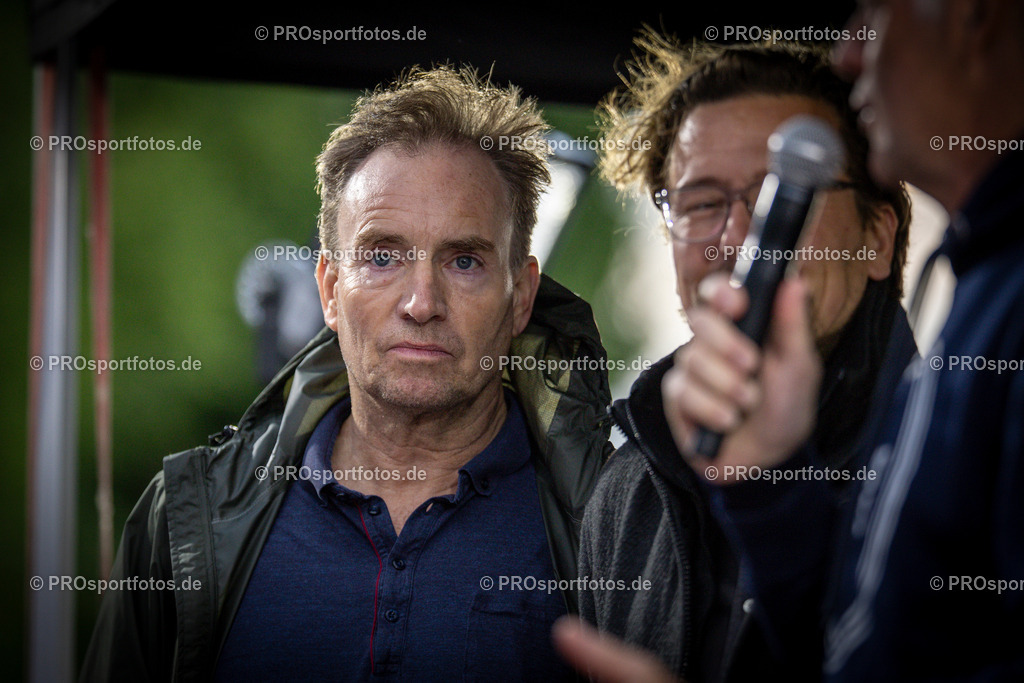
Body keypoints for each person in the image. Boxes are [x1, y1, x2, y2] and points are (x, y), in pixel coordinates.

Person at [80, 65, 613, 681]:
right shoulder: (186, 520)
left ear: (522, 296)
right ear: (330, 290)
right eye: (382, 256)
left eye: (464, 261)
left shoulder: (618, 523)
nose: (420, 302)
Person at [559, 0, 1024, 679]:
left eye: (786, 194)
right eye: (700, 203)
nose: (738, 239)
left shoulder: (936, 424)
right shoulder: (625, 491)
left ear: (877, 238)